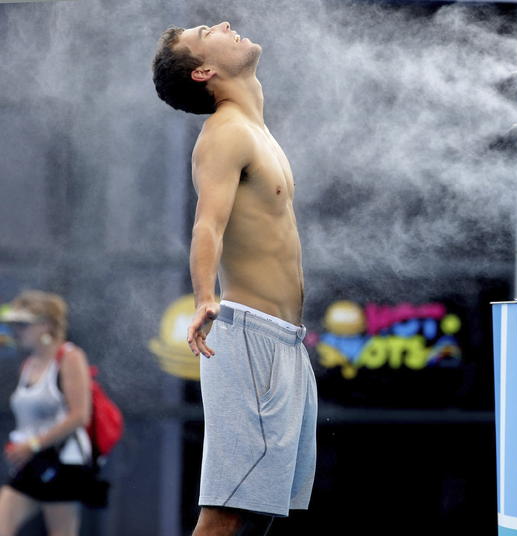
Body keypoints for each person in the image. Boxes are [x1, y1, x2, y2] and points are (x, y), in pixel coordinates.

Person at [152, 21, 318, 536]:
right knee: (224, 516)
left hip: (285, 343)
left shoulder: (255, 128)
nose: (225, 25)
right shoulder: (223, 133)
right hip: (249, 338)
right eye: (208, 32)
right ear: (204, 71)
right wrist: (205, 296)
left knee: (260, 510)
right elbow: (207, 223)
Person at [0, 290, 96, 536]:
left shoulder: (70, 357)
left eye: (23, 325)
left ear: (46, 325)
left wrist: (33, 444)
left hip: (63, 462)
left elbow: (80, 415)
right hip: (30, 462)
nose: (16, 331)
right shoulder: (28, 364)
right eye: (14, 325)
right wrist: (24, 446)